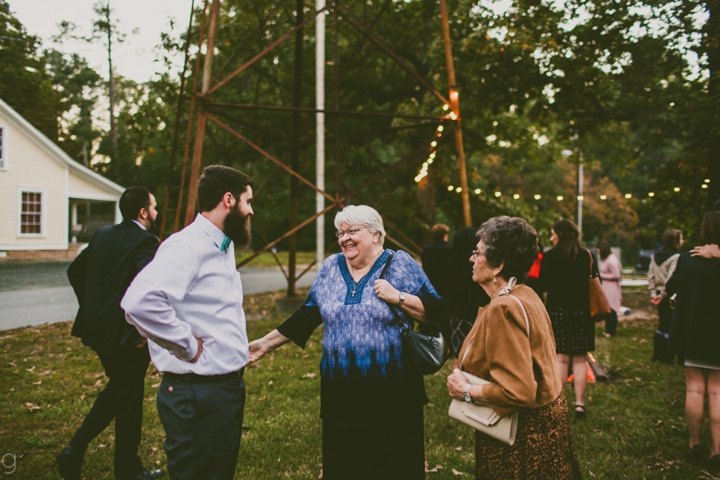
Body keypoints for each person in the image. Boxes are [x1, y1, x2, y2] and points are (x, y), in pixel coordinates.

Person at [248, 205, 442, 480]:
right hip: (340, 389)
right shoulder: (330, 267)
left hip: (393, 388)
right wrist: (266, 344)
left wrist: (398, 296)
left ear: (376, 234)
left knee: (393, 465)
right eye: (341, 232)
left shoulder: (399, 264)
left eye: (353, 231)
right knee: (345, 465)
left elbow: (435, 311)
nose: (344, 238)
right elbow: (308, 313)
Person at [121, 165, 254, 480]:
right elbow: (140, 302)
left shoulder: (222, 243)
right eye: (248, 201)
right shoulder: (187, 245)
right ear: (228, 200)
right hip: (197, 395)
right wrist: (186, 346)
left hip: (221, 391)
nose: (251, 210)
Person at [446, 216, 581, 479]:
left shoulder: (504, 308)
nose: (472, 259)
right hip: (546, 425)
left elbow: (518, 391)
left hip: (522, 438)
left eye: (478, 253)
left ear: (498, 265)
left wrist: (467, 391)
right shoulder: (525, 292)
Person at [58, 187, 163, 480]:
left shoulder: (102, 235)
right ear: (143, 212)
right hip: (127, 337)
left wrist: (95, 307)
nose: (156, 212)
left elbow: (75, 272)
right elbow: (148, 291)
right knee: (123, 394)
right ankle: (75, 450)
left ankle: (127, 469)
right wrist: (143, 330)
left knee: (124, 395)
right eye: (154, 207)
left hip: (99, 332)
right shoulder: (146, 241)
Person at [666, 211, 720, 471]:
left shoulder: (688, 258)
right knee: (718, 392)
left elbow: (671, 287)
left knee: (695, 390)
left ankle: (695, 444)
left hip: (693, 332)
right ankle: (717, 450)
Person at [536, 219, 594, 416]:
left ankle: (558, 402)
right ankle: (579, 403)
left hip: (557, 311)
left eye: (553, 233)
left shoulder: (551, 256)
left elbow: (543, 285)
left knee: (561, 359)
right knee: (579, 359)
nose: (551, 237)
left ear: (560, 234)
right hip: (581, 311)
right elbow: (594, 282)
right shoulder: (586, 255)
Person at [444, 226, 490, 356]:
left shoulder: (451, 266)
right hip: (476, 317)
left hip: (457, 317)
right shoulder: (478, 268)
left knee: (463, 356)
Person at [648, 229, 682, 363]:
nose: (682, 241)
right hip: (669, 295)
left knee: (662, 323)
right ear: (675, 240)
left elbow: (650, 275)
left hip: (658, 294)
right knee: (669, 325)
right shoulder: (676, 257)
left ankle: (657, 353)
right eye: (681, 238)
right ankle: (667, 356)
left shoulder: (655, 255)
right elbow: (671, 278)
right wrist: (663, 295)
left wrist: (654, 293)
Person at [596, 240, 622, 337]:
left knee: (611, 310)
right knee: (607, 309)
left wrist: (602, 275)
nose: (597, 251)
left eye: (598, 249)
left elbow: (616, 275)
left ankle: (611, 331)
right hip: (607, 288)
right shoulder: (607, 259)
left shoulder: (612, 260)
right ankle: (608, 329)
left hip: (612, 289)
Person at [421, 223, 452, 296]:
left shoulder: (426, 249)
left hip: (430, 286)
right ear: (444, 236)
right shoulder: (449, 250)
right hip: (446, 286)